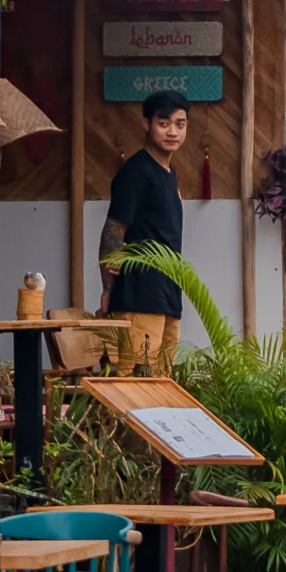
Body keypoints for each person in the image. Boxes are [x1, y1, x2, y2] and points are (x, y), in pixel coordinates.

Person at [99, 91, 189, 367]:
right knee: (136, 381)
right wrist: (108, 290)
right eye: (164, 124)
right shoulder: (135, 172)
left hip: (168, 294)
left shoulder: (169, 174)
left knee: (162, 382)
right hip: (138, 296)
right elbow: (114, 229)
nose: (172, 131)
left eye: (180, 124)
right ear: (146, 124)